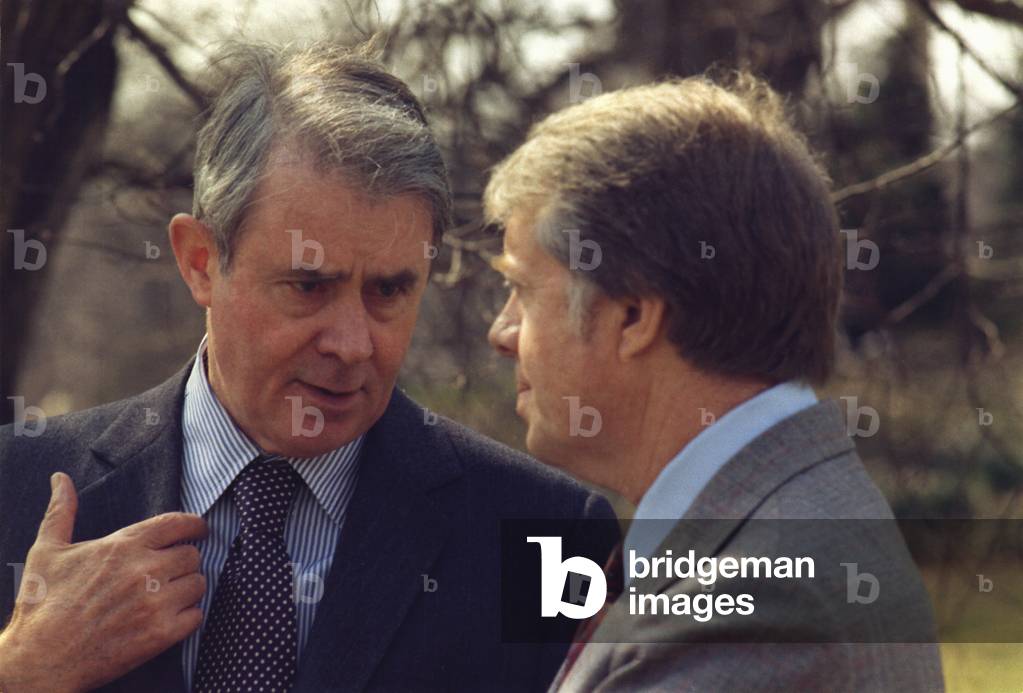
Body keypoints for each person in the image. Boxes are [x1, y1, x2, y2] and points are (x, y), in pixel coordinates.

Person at [0, 42, 617, 693]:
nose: (352, 344)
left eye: (388, 291)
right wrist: (23, 666)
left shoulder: (547, 535)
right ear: (201, 261)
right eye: (308, 286)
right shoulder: (15, 483)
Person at [484, 74, 945, 692]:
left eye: (522, 291)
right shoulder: (778, 525)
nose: (502, 331)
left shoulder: (760, 600)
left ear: (632, 317)